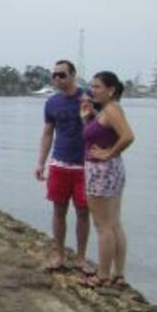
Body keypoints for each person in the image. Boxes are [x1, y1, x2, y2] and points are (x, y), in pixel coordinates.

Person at [80, 71, 135, 289]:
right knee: (113, 223)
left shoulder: (112, 110)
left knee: (103, 226)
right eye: (92, 86)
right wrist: (88, 119)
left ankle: (102, 275)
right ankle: (118, 274)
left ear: (111, 90)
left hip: (102, 170)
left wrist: (109, 153)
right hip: (110, 170)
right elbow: (99, 135)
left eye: (97, 87)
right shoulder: (108, 111)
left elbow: (128, 136)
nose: (92, 90)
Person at [35, 59, 90, 272]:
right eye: (54, 75)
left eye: (62, 75)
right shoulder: (52, 103)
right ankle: (58, 254)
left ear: (73, 75)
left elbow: (102, 124)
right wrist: (41, 162)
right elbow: (48, 132)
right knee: (59, 210)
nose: (57, 79)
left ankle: (81, 257)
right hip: (59, 163)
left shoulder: (88, 97)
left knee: (83, 212)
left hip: (84, 166)